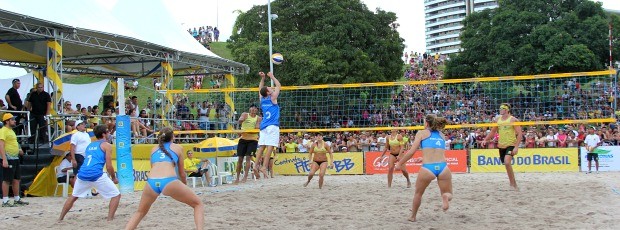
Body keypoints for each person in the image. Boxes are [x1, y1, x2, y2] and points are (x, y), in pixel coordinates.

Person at [125, 127, 204, 229]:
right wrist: (184, 186)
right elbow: (182, 173)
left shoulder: (153, 149)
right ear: (172, 137)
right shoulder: (178, 148)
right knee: (198, 204)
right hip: (169, 181)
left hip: (151, 183)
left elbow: (152, 168)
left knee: (140, 212)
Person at [396, 114, 452, 222]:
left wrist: (400, 163)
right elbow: (438, 152)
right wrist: (422, 158)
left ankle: (413, 216)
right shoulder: (441, 135)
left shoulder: (421, 133)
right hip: (443, 167)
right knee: (448, 193)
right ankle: (445, 197)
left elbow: (412, 152)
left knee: (418, 193)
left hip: (428, 168)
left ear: (426, 123)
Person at [59, 125, 120, 221]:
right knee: (116, 195)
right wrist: (114, 178)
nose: (109, 133)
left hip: (82, 174)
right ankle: (110, 219)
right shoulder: (107, 145)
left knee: (73, 197)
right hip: (96, 174)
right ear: (103, 134)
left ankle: (60, 218)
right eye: (107, 132)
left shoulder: (90, 145)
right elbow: (109, 166)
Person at [481, 103, 522, 190]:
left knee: (507, 162)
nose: (500, 110)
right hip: (501, 145)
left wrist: (516, 147)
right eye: (500, 108)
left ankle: (512, 185)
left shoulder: (513, 120)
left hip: (511, 144)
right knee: (506, 164)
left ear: (507, 110)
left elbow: (519, 134)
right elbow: (492, 132)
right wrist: (485, 139)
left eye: (502, 108)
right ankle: (514, 183)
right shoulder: (497, 120)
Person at [255, 72, 281, 178]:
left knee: (261, 147)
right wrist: (272, 77)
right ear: (267, 92)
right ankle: (264, 167)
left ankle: (256, 166)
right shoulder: (272, 98)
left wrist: (263, 78)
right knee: (270, 147)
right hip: (272, 125)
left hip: (263, 126)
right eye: (270, 89)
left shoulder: (262, 99)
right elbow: (278, 86)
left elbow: (260, 89)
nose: (272, 89)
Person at [0, 113, 27, 207]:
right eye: (12, 119)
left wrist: (19, 149)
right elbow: (1, 145)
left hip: (15, 157)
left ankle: (17, 198)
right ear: (7, 121)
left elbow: (13, 142)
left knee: (16, 179)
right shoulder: (3, 131)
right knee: (7, 180)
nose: (15, 121)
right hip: (8, 157)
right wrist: (4, 159)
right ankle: (5, 200)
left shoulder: (11, 131)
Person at [236, 104, 261, 183]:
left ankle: (245, 177)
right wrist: (241, 120)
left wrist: (244, 130)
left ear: (257, 110)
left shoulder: (258, 118)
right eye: (252, 108)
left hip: (253, 140)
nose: (253, 109)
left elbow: (256, 128)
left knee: (248, 158)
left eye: (255, 108)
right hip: (243, 139)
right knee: (240, 159)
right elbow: (240, 120)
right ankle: (237, 178)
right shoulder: (245, 114)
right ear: (249, 109)